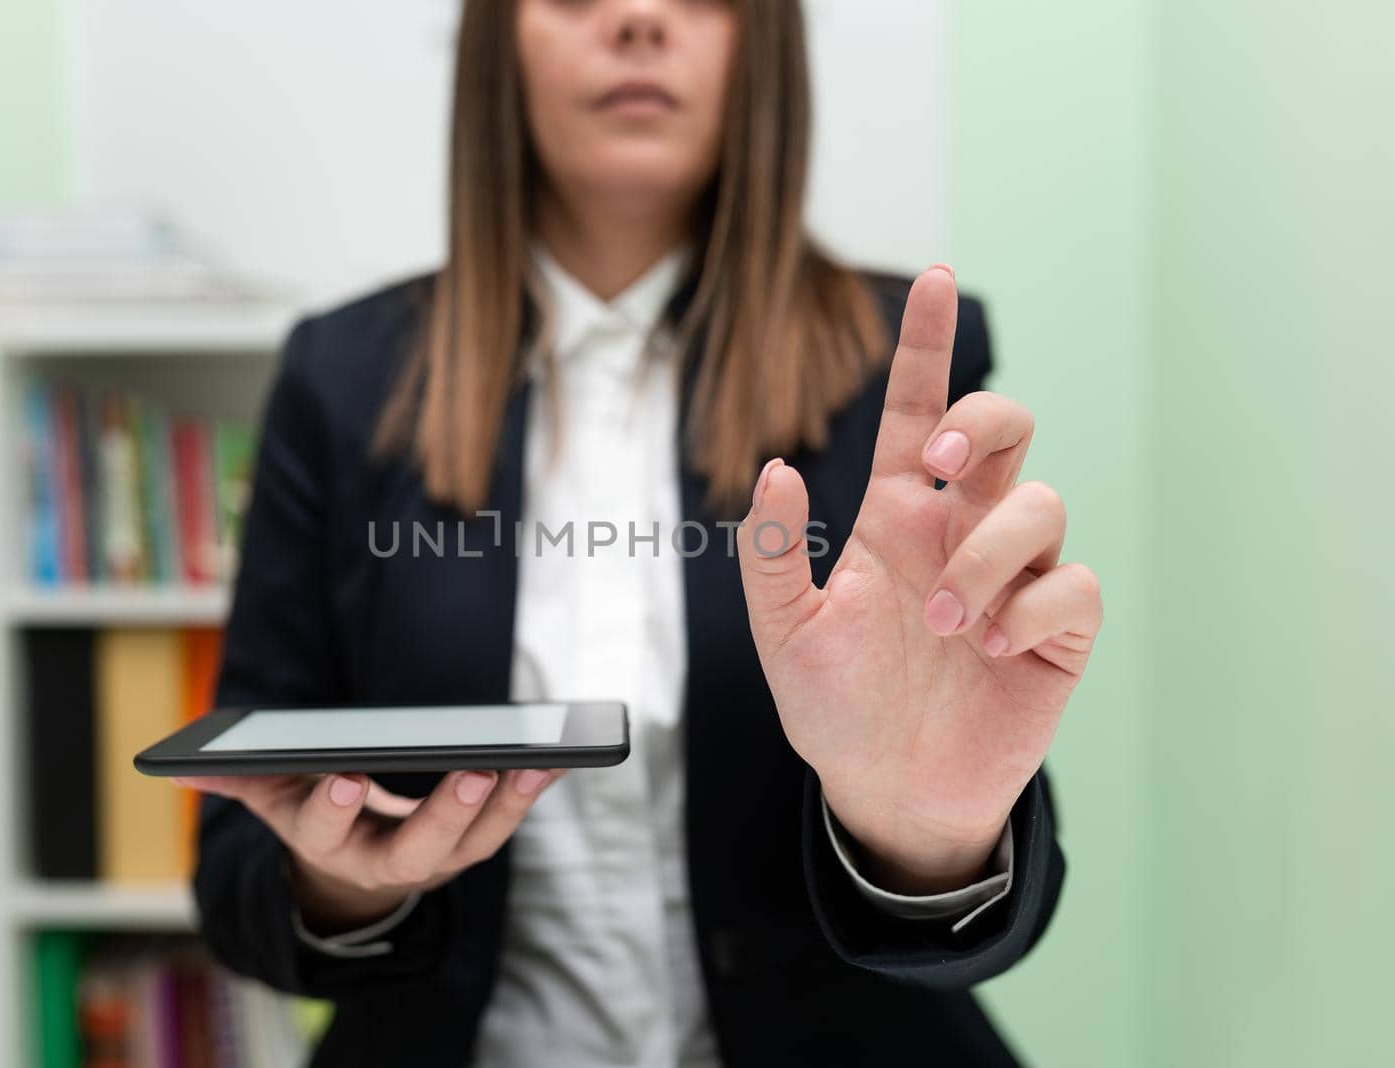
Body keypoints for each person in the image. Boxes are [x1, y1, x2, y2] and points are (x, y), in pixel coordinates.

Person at [175, 0, 1102, 1064]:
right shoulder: (339, 380)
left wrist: (926, 843)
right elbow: (234, 876)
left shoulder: (901, 369)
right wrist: (341, 879)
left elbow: (981, 924)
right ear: (495, 40)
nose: (636, 18)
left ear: (762, 45)